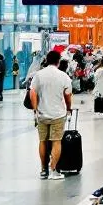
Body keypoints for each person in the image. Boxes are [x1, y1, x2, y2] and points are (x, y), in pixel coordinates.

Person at [29, 50, 73, 180]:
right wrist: (69, 108)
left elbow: (32, 93)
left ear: (47, 60)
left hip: (42, 114)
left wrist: (35, 110)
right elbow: (68, 95)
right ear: (58, 61)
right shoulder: (63, 76)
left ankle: (43, 170)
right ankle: (54, 170)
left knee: (42, 141)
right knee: (56, 141)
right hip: (58, 114)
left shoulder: (39, 75)